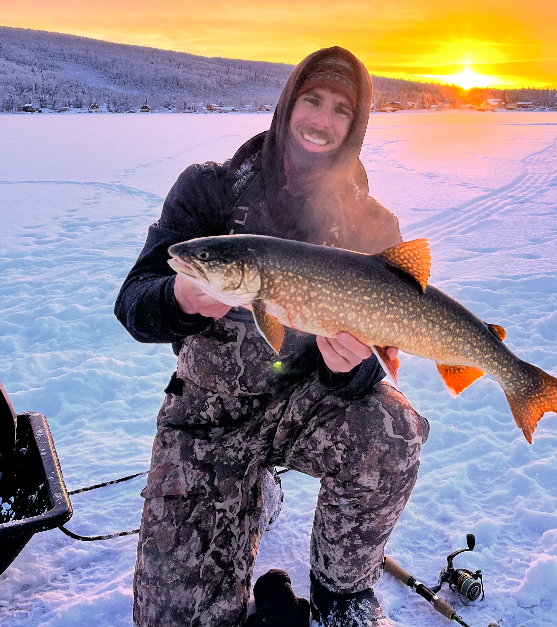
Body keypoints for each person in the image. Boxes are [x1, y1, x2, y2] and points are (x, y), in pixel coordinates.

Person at [115, 46, 429, 627]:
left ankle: (343, 597)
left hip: (300, 405)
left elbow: (370, 367)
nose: (322, 119)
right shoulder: (209, 190)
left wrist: (349, 367)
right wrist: (176, 297)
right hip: (205, 418)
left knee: (392, 428)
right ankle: (248, 497)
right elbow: (133, 304)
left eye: (341, 109)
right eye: (312, 99)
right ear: (288, 104)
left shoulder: (372, 226)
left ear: (356, 125)